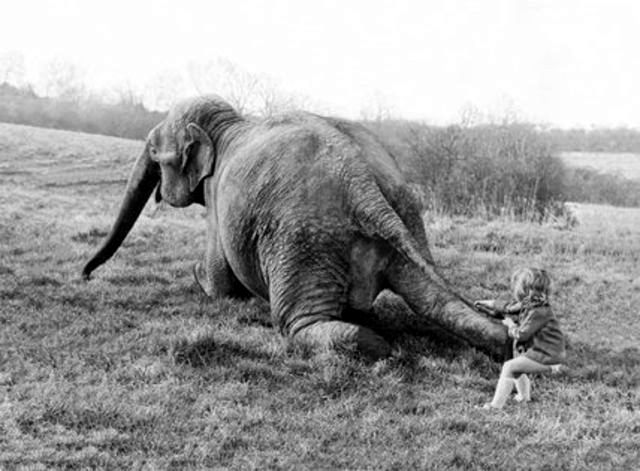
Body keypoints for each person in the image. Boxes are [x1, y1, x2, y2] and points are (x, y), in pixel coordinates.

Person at [474, 267, 566, 409]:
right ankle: (524, 398)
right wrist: (488, 305)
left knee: (509, 367)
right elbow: (508, 309)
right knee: (517, 367)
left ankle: (495, 407)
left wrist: (510, 325)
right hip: (545, 354)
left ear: (525, 290)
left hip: (549, 357)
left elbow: (522, 334)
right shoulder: (532, 304)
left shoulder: (538, 311)